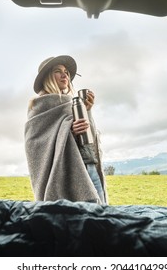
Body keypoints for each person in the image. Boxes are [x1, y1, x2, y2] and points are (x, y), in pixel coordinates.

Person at [24, 55, 108, 204]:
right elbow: (35, 146)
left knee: (101, 218)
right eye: (58, 71)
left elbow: (88, 138)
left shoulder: (71, 103)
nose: (65, 75)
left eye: (66, 72)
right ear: (47, 77)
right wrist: (69, 130)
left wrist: (86, 110)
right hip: (69, 174)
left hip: (89, 166)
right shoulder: (39, 106)